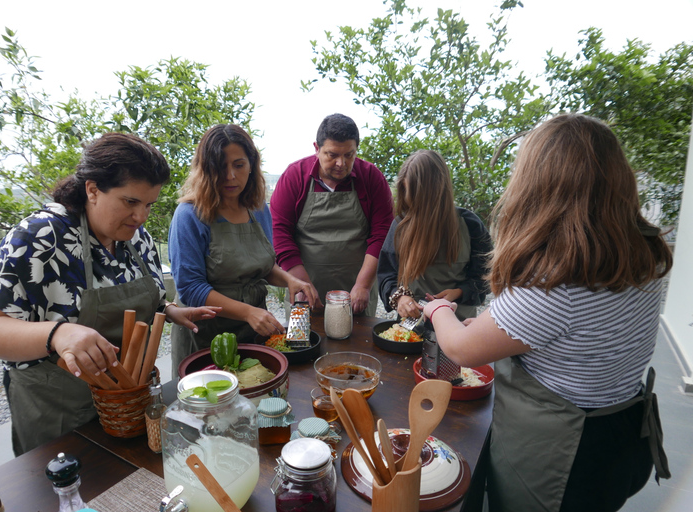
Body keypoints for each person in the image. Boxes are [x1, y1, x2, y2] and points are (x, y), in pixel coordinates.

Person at [423, 114, 672, 512]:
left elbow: (463, 350)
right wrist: (494, 326)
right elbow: (580, 336)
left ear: (541, 185)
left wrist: (437, 309)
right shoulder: (641, 253)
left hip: (566, 455)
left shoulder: (556, 281)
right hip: (623, 432)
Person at [0, 132, 219, 456]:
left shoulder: (136, 237)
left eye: (148, 205)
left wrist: (168, 309)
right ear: (92, 189)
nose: (141, 217)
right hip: (61, 413)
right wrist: (59, 333)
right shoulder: (40, 236)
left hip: (129, 407)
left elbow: (146, 296)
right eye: (130, 202)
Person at [168, 124, 318, 372]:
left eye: (239, 165)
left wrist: (290, 280)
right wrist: (248, 312)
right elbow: (190, 288)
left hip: (253, 331)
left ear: (251, 165)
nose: (230, 176)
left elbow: (263, 266)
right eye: (220, 166)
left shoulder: (257, 209)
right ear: (205, 169)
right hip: (207, 338)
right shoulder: (190, 215)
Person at [270, 113, 394, 316]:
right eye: (332, 155)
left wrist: (363, 285)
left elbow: (382, 234)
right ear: (316, 148)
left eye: (349, 155)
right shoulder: (294, 177)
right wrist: (302, 285)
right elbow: (279, 233)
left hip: (356, 291)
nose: (341, 163)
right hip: (304, 286)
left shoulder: (371, 178)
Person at [377, 150, 491, 322]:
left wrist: (458, 292)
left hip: (459, 325)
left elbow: (486, 277)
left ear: (436, 194)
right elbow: (387, 275)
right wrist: (399, 297)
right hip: (411, 326)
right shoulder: (400, 225)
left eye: (415, 196)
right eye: (406, 192)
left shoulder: (469, 224)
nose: (409, 200)